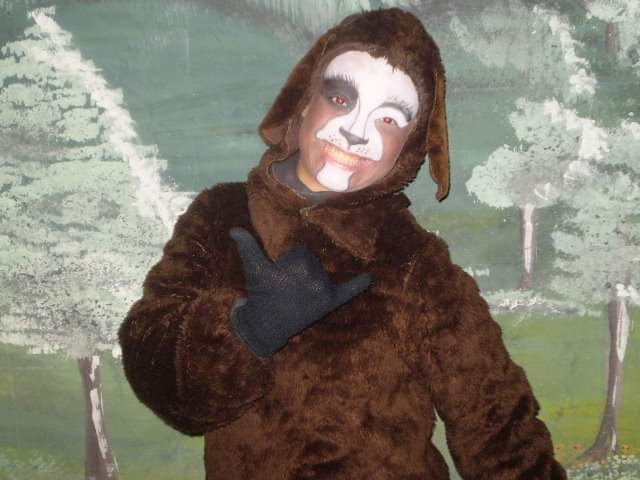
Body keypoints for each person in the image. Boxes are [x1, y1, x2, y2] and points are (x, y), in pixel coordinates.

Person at [119, 8, 566, 479]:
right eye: (340, 98)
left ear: (409, 148)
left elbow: (495, 422)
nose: (355, 131)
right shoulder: (220, 216)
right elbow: (154, 371)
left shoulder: (413, 261)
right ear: (304, 102)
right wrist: (248, 329)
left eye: (388, 118)